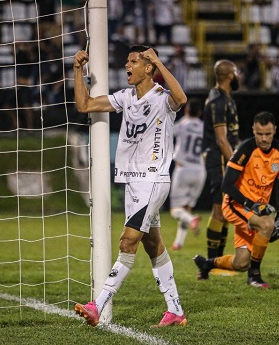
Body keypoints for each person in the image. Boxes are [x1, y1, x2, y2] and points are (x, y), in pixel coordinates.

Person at [72, 45, 188, 328]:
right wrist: (77, 71)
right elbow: (84, 105)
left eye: (133, 61)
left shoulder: (162, 97)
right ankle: (175, 311)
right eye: (127, 61)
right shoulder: (125, 97)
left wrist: (159, 62)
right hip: (132, 182)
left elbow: (181, 98)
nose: (127, 65)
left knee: (127, 241)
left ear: (148, 67)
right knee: (153, 244)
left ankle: (97, 305)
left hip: (152, 179)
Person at [193, 112, 279, 288]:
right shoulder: (245, 150)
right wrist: (251, 205)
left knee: (240, 263)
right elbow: (227, 185)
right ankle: (255, 276)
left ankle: (207, 264)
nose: (264, 138)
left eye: (268, 134)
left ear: (275, 130)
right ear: (253, 130)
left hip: (255, 210)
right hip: (235, 204)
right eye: (259, 134)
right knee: (266, 224)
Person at [202, 59, 240, 264]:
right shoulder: (218, 100)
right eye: (237, 72)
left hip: (222, 157)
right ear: (231, 75)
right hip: (220, 158)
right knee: (219, 209)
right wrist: (236, 164)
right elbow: (221, 139)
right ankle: (210, 263)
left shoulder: (224, 98)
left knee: (225, 210)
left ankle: (216, 262)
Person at [169, 98, 206, 250]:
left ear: (186, 110)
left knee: (175, 210)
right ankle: (178, 243)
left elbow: (167, 132)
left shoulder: (182, 125)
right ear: (200, 113)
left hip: (183, 169)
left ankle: (191, 220)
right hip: (199, 171)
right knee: (186, 208)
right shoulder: (204, 127)